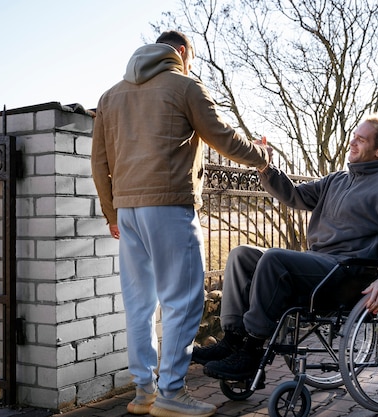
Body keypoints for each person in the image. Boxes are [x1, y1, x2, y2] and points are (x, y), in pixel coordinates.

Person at [91, 30, 269, 417]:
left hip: (128, 211)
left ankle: (144, 393)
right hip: (170, 207)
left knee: (139, 305)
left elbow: (99, 162)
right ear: (183, 52)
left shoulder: (110, 96)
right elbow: (221, 136)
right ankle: (171, 391)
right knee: (183, 301)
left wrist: (112, 213)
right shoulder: (186, 85)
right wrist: (260, 155)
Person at [192, 116, 378, 381]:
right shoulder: (337, 180)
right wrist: (265, 166)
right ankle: (233, 339)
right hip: (319, 264)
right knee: (242, 255)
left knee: (274, 258)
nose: (352, 142)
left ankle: (252, 350)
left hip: (347, 274)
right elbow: (295, 195)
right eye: (354, 136)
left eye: (361, 140)